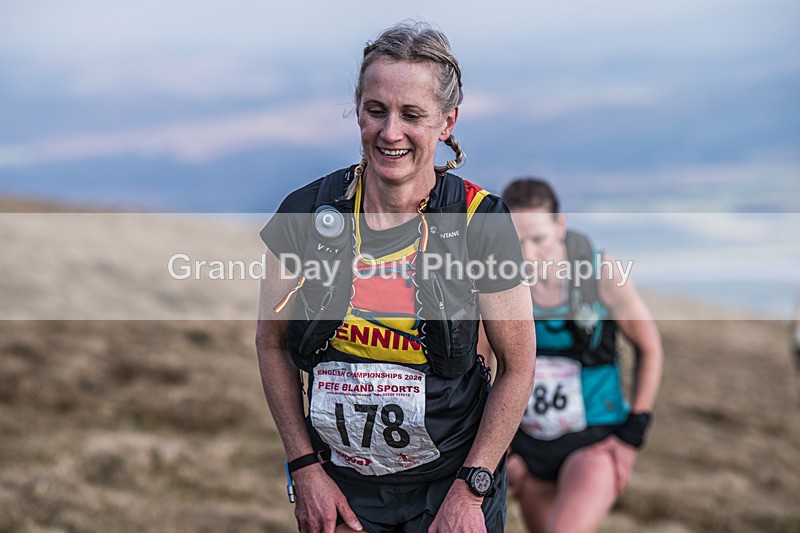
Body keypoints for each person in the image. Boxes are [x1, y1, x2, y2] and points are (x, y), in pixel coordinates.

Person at [256, 22, 536, 533]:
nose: (390, 133)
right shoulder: (302, 213)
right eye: (375, 111)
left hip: (450, 487)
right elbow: (271, 345)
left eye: (412, 115)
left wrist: (470, 491)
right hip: (341, 488)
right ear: (357, 108)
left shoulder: (482, 221)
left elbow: (517, 368)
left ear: (447, 121)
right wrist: (304, 468)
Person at [488, 178, 664, 533]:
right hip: (527, 448)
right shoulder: (499, 283)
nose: (528, 253)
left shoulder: (602, 273)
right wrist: (500, 449)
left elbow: (650, 349)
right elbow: (486, 367)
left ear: (560, 225)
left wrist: (632, 436)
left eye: (538, 239)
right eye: (516, 242)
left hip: (595, 442)